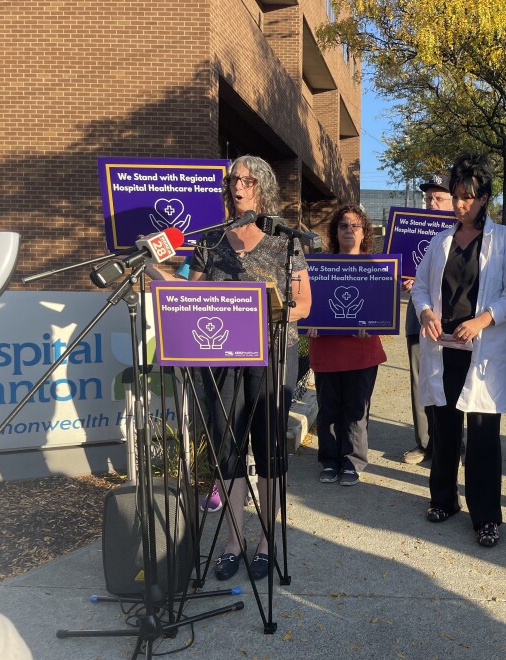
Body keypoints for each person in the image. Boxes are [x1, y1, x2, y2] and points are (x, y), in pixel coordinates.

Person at [149, 155, 312, 581]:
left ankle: (266, 540)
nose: (238, 186)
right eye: (234, 179)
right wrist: (157, 277)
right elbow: (194, 297)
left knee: (269, 448)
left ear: (263, 188)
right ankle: (234, 540)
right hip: (221, 359)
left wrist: (269, 310)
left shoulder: (284, 243)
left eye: (248, 180)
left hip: (272, 358)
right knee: (229, 449)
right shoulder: (211, 241)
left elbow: (305, 304)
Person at [412, 152, 506, 548]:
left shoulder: (505, 239)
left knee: (482, 435)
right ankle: (443, 499)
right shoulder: (440, 241)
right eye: (456, 196)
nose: (460, 204)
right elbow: (423, 286)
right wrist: (425, 311)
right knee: (444, 428)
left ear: (484, 197)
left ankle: (487, 516)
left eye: (468, 196)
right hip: (444, 347)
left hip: (484, 349)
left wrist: (482, 320)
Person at [308, 205, 387, 486]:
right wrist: (310, 321)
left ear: (364, 232)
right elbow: (308, 303)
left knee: (356, 410)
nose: (349, 230)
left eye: (355, 226)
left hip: (362, 352)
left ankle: (352, 461)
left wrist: (375, 323)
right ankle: (329, 460)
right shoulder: (318, 267)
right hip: (327, 349)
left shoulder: (377, 268)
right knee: (328, 409)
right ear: (335, 231)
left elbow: (383, 308)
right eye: (343, 225)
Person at [402, 175, 453, 465]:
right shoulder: (411, 228)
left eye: (438, 198)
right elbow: (403, 268)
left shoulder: (461, 233)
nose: (432, 203)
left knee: (452, 381)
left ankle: (453, 444)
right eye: (429, 198)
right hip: (418, 316)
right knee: (420, 380)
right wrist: (405, 280)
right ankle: (425, 444)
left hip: (453, 320)